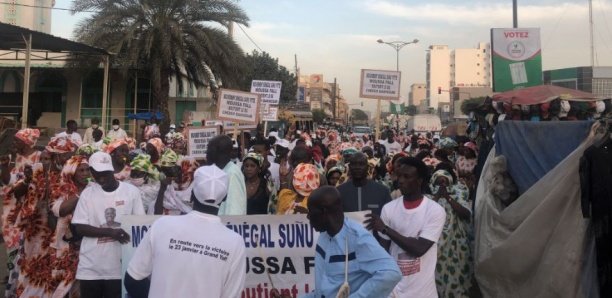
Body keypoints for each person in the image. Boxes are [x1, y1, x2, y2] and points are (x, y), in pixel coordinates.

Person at [125, 165, 246, 298]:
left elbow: (132, 280)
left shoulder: (162, 225)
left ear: (192, 194)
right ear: (225, 197)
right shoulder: (235, 242)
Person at [299, 186, 401, 298]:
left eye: (310, 211)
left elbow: (392, 273)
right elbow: (322, 292)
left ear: (324, 212)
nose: (308, 216)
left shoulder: (358, 238)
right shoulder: (324, 237)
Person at [365, 157, 446, 298]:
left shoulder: (434, 210)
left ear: (420, 180)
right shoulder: (389, 209)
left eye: (407, 176)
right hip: (394, 290)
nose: (400, 180)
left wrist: (385, 229)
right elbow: (384, 250)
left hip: (422, 292)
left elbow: (419, 248)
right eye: (399, 176)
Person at [71, 151, 145, 298]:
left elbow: (139, 225)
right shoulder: (87, 194)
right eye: (97, 173)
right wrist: (111, 233)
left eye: (105, 172)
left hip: (119, 267)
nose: (101, 176)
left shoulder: (131, 192)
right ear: (91, 172)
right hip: (91, 268)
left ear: (112, 169)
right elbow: (79, 227)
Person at [49, 155, 91, 297]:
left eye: (87, 170)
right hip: (64, 246)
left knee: (81, 287)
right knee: (61, 286)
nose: (86, 173)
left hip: (86, 246)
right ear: (72, 172)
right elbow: (60, 210)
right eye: (81, 170)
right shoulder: (61, 189)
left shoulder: (94, 189)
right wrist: (80, 194)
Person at [429, 169, 472, 297]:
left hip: (455, 244)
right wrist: (438, 195)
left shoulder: (459, 195)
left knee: (456, 274)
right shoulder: (428, 198)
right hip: (435, 245)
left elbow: (466, 214)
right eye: (439, 180)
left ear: (450, 182)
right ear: (433, 182)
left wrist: (448, 197)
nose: (442, 183)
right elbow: (424, 213)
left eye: (445, 180)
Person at [207, 135, 246, 215]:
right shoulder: (221, 171)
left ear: (219, 152)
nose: (206, 153)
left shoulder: (232, 174)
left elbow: (234, 211)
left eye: (209, 149)